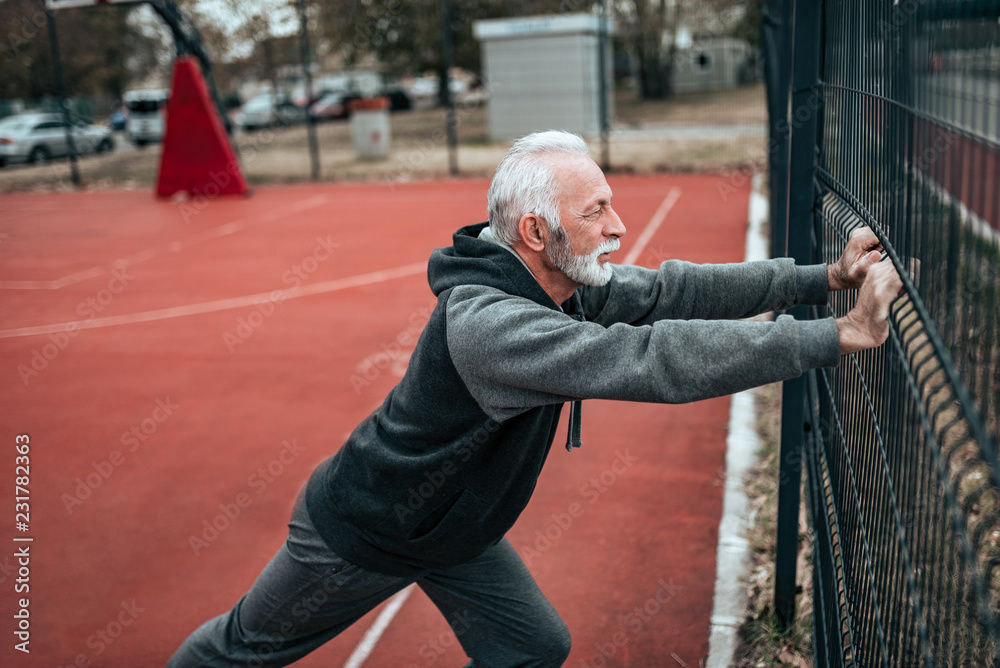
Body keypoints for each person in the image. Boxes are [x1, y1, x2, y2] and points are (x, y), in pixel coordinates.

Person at [167, 130, 902, 667]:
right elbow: (651, 359)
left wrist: (823, 278)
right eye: (596, 212)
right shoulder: (492, 328)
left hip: (454, 529)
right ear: (536, 230)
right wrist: (834, 337)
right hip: (365, 527)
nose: (616, 227)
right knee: (241, 652)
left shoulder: (564, 280)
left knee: (531, 648)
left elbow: (675, 289)